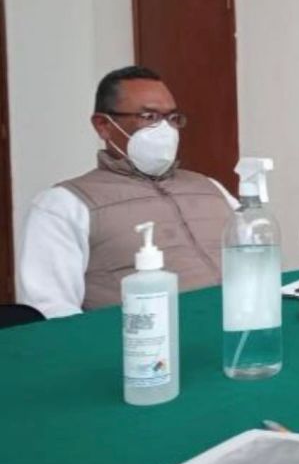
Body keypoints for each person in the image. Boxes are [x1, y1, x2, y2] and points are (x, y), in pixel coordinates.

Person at [17, 66, 237, 319]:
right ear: (103, 125)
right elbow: (52, 310)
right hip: (146, 340)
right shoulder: (64, 204)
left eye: (172, 118)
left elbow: (258, 261)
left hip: (243, 333)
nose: (165, 129)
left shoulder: (210, 188)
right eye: (149, 117)